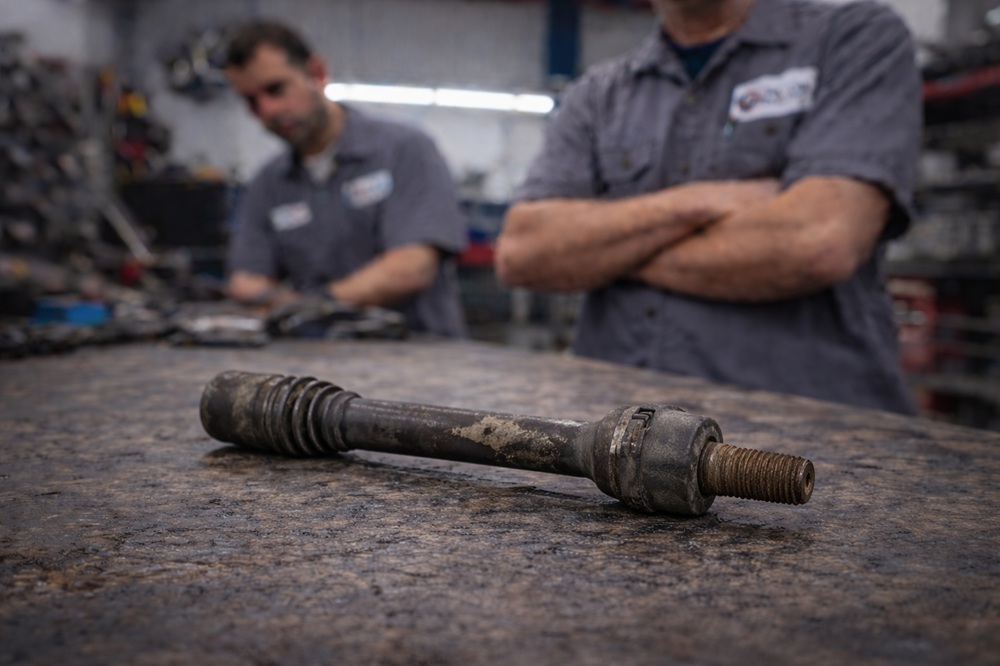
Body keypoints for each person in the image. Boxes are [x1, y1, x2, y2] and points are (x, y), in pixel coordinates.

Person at [495, 0, 921, 414]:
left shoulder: (851, 39)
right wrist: (703, 201)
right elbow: (522, 254)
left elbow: (818, 241)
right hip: (619, 431)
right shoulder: (599, 94)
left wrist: (602, 250)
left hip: (810, 431)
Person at [223, 21, 467, 337]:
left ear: (317, 73)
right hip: (315, 366)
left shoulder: (404, 151)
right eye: (251, 101)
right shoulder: (267, 184)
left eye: (276, 89)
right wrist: (291, 305)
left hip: (417, 358)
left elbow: (411, 267)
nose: (267, 110)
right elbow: (246, 280)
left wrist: (314, 305)